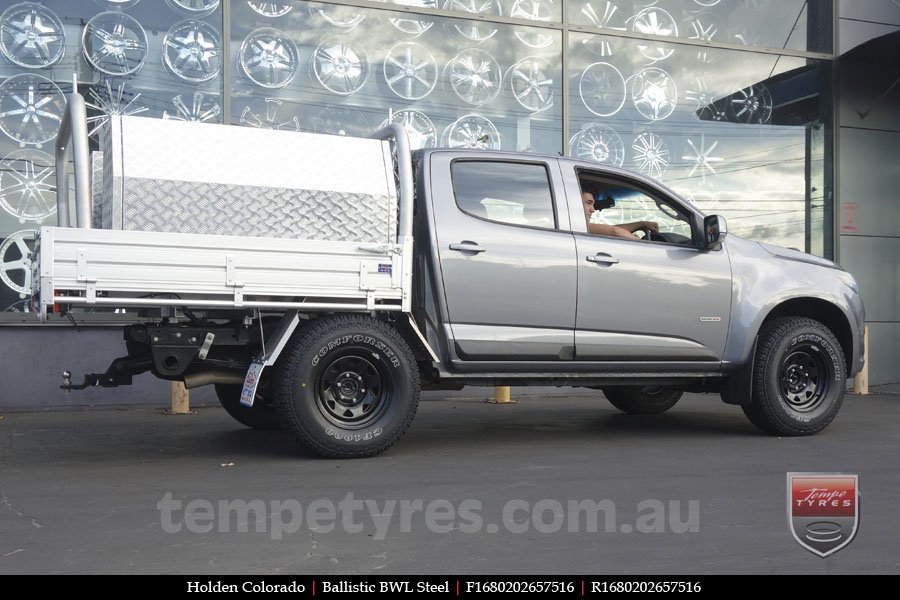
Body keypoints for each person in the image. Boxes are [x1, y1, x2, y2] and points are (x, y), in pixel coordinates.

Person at [582, 190, 659, 240]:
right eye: (588, 203)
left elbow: (610, 230)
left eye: (593, 205)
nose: (593, 210)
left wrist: (641, 224)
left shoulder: (577, 226)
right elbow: (615, 231)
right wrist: (644, 244)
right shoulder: (577, 226)